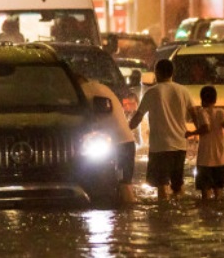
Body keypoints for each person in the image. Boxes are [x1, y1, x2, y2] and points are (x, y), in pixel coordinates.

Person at [128, 58, 196, 200]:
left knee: (162, 185)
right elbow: (195, 116)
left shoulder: (152, 92)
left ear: (157, 73)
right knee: (178, 184)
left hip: (160, 147)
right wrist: (198, 132)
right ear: (172, 73)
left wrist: (125, 128)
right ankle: (180, 214)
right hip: (180, 146)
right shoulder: (184, 91)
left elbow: (137, 119)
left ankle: (163, 215)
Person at [77, 72, 138, 204]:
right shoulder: (101, 87)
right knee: (124, 182)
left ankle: (128, 212)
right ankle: (127, 215)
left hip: (118, 146)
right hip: (126, 142)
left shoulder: (82, 91)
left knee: (123, 183)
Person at [188, 85, 224, 200]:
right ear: (215, 99)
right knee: (218, 192)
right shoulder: (221, 112)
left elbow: (206, 128)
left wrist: (191, 133)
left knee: (205, 194)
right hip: (221, 159)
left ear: (202, 99)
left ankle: (207, 216)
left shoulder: (202, 112)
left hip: (205, 159)